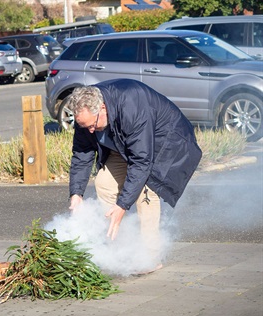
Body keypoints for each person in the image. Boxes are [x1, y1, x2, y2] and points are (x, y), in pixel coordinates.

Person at [67, 79, 202, 274]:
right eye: (84, 126)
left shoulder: (132, 106)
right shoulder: (87, 116)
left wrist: (122, 206)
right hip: (124, 144)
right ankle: (119, 247)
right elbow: (82, 153)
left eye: (92, 126)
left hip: (162, 143)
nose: (89, 131)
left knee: (145, 192)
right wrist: (76, 194)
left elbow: (141, 162)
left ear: (102, 108)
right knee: (104, 183)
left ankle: (149, 256)